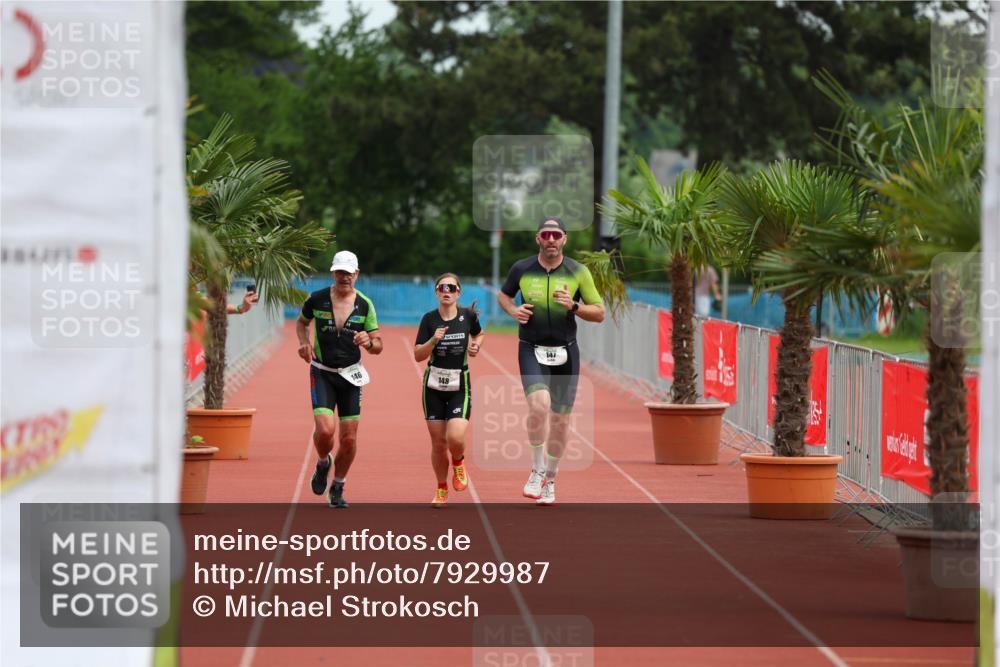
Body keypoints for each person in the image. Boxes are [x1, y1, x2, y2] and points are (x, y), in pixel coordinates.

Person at [497, 218, 605, 505]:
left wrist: (574, 306)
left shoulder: (578, 272)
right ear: (538, 239)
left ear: (565, 239)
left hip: (566, 352)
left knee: (560, 421)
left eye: (556, 235)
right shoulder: (521, 268)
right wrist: (513, 310)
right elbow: (504, 295)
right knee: (538, 405)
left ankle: (550, 479)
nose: (551, 239)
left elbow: (600, 312)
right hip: (531, 348)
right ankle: (536, 469)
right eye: (546, 234)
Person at [296, 250, 382, 508]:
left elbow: (378, 344)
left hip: (351, 376)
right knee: (325, 431)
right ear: (333, 273)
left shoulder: (365, 304)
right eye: (340, 272)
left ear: (357, 274)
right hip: (322, 372)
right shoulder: (317, 299)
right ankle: (323, 463)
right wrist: (303, 343)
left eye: (349, 272)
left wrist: (369, 342)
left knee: (349, 439)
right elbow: (301, 323)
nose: (345, 277)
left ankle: (338, 486)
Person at [414, 273, 485, 508]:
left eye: (452, 288)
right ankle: (441, 487)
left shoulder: (468, 316)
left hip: (459, 385)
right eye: (442, 287)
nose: (447, 291)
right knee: (438, 443)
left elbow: (479, 334)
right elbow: (417, 355)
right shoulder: (429, 320)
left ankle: (458, 462)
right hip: (433, 386)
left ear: (458, 293)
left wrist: (476, 345)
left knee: (454, 437)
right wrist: (433, 341)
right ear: (436, 291)